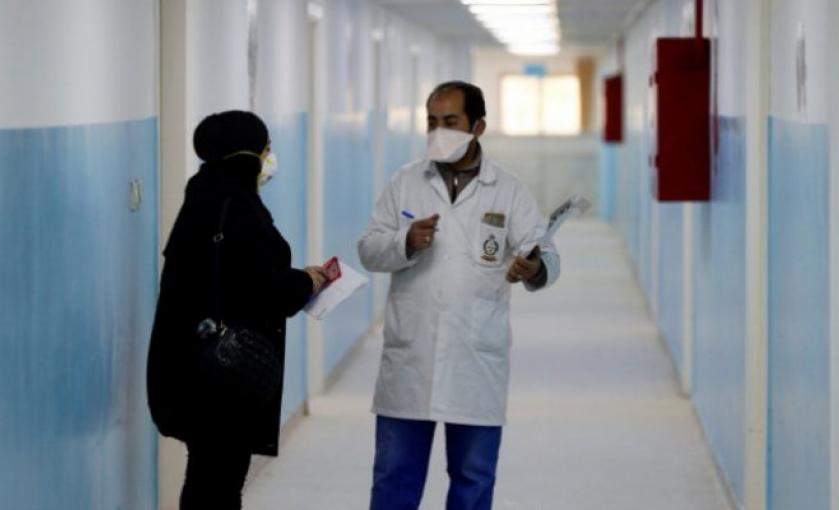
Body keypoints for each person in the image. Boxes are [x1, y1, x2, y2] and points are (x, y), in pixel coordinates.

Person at [358, 81, 560, 510]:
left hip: (475, 357)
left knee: (473, 481)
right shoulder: (404, 182)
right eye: (431, 122)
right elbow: (369, 249)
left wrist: (535, 267)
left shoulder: (508, 190)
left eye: (450, 122)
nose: (439, 132)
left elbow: (545, 252)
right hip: (411, 355)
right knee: (394, 478)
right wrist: (404, 241)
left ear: (478, 126)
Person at [146, 110, 327, 509]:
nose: (269, 158)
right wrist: (307, 282)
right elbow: (262, 288)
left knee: (207, 476)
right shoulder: (239, 209)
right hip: (223, 373)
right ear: (247, 154)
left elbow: (234, 277)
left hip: (190, 363)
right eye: (266, 148)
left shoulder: (204, 197)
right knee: (218, 482)